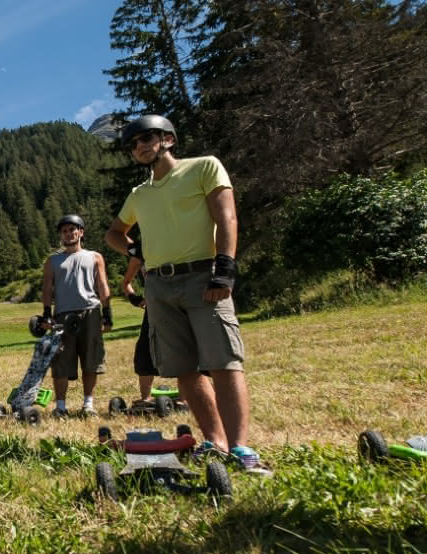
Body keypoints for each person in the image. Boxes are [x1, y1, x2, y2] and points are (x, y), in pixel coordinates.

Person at [105, 113, 264, 472]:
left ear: (169, 140)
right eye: (133, 144)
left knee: (223, 361)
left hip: (202, 274)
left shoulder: (204, 168)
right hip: (159, 285)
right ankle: (215, 441)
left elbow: (227, 217)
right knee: (184, 369)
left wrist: (225, 268)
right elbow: (114, 233)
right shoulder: (139, 194)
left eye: (146, 138)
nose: (139, 147)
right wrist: (135, 251)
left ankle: (240, 448)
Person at [38, 214, 112, 415]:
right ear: (60, 236)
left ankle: (88, 405)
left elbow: (102, 285)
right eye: (64, 231)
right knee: (61, 360)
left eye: (72, 229)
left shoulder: (95, 257)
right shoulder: (52, 261)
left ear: (81, 232)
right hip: (62, 315)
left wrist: (107, 313)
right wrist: (46, 313)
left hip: (90, 312)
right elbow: (47, 289)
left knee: (91, 358)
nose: (68, 234)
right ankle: (61, 407)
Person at [118, 229, 159, 405]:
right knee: (144, 351)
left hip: (176, 305)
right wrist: (135, 299)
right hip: (152, 308)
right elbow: (125, 283)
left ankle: (184, 398)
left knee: (182, 349)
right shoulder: (141, 256)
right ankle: (145, 398)